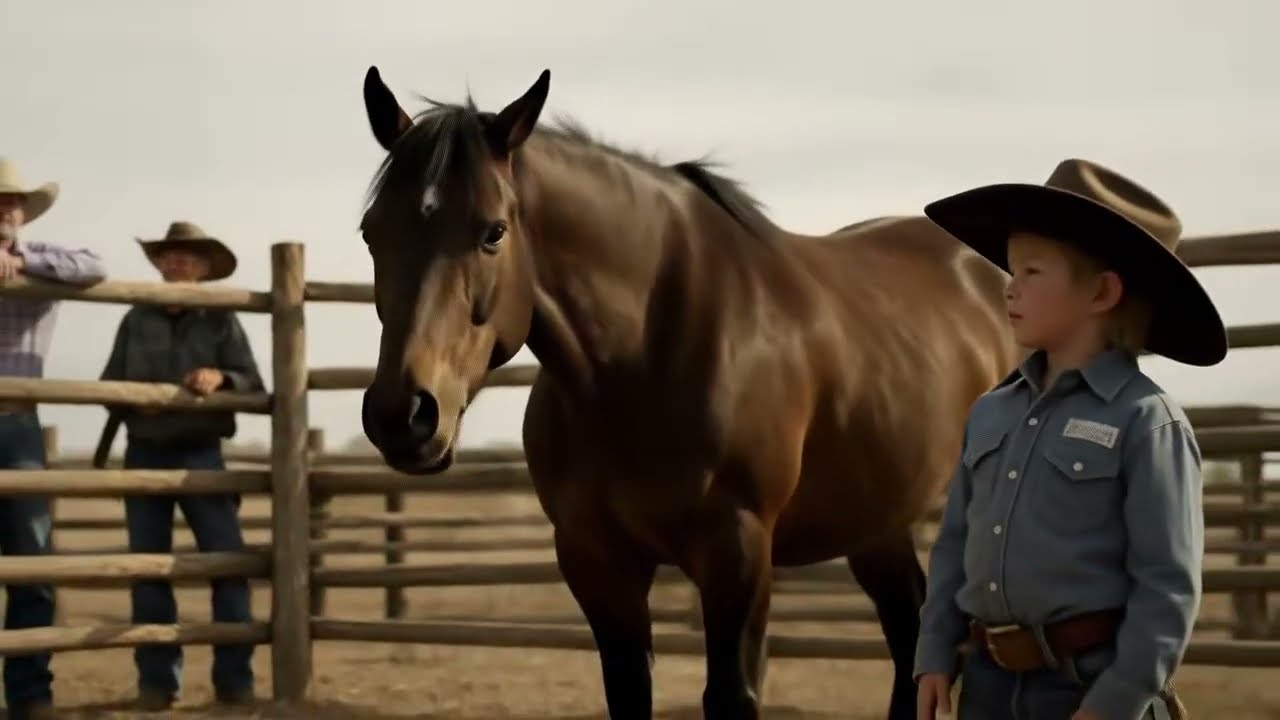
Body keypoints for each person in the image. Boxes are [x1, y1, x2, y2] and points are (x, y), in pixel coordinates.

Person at [913, 159, 1220, 720]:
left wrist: (1116, 700)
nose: (1009, 288)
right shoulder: (990, 412)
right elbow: (955, 544)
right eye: (1012, 270)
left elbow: (1167, 588)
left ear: (1102, 292)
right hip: (986, 686)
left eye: (1031, 272)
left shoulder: (1147, 422)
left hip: (1086, 689)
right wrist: (934, 651)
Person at [99, 220, 263, 711]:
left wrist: (221, 377)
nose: (177, 262)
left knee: (227, 565)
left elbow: (252, 381)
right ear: (159, 263)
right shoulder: (135, 317)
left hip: (201, 452)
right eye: (170, 254)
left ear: (204, 267)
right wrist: (133, 398)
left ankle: (234, 682)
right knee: (148, 570)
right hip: (144, 450)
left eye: (188, 255)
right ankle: (157, 685)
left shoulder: (221, 319)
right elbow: (108, 386)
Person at [0, 158, 106, 720]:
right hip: (17, 425)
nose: (5, 210)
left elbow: (94, 265)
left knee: (32, 563)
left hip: (16, 420)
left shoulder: (41, 258)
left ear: (24, 212)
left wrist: (23, 262)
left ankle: (29, 694)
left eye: (12, 202)